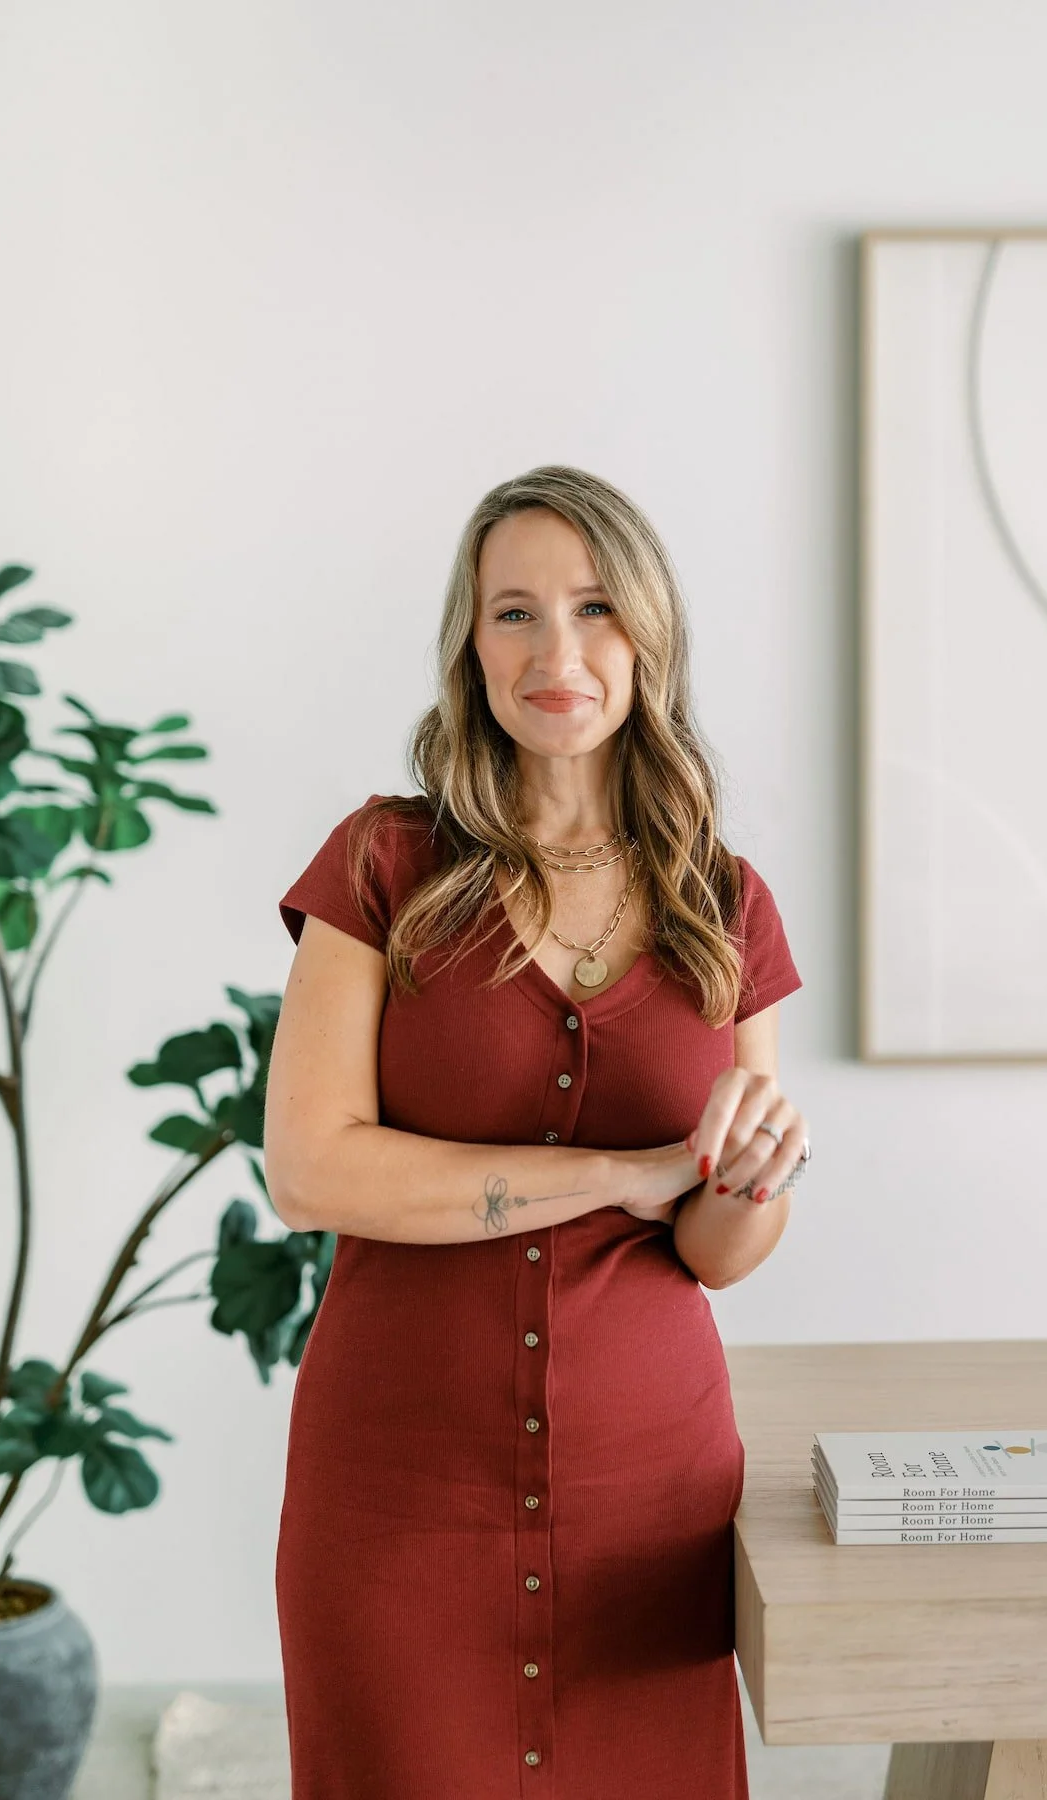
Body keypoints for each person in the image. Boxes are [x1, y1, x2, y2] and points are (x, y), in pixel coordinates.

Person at [264, 463, 810, 1800]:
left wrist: (753, 1173)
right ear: (471, 643)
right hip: (398, 1485)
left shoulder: (723, 901)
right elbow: (310, 1168)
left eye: (596, 608)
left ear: (650, 637)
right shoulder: (381, 866)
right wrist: (622, 1172)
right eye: (515, 613)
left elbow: (722, 1251)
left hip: (651, 1488)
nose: (557, 652)